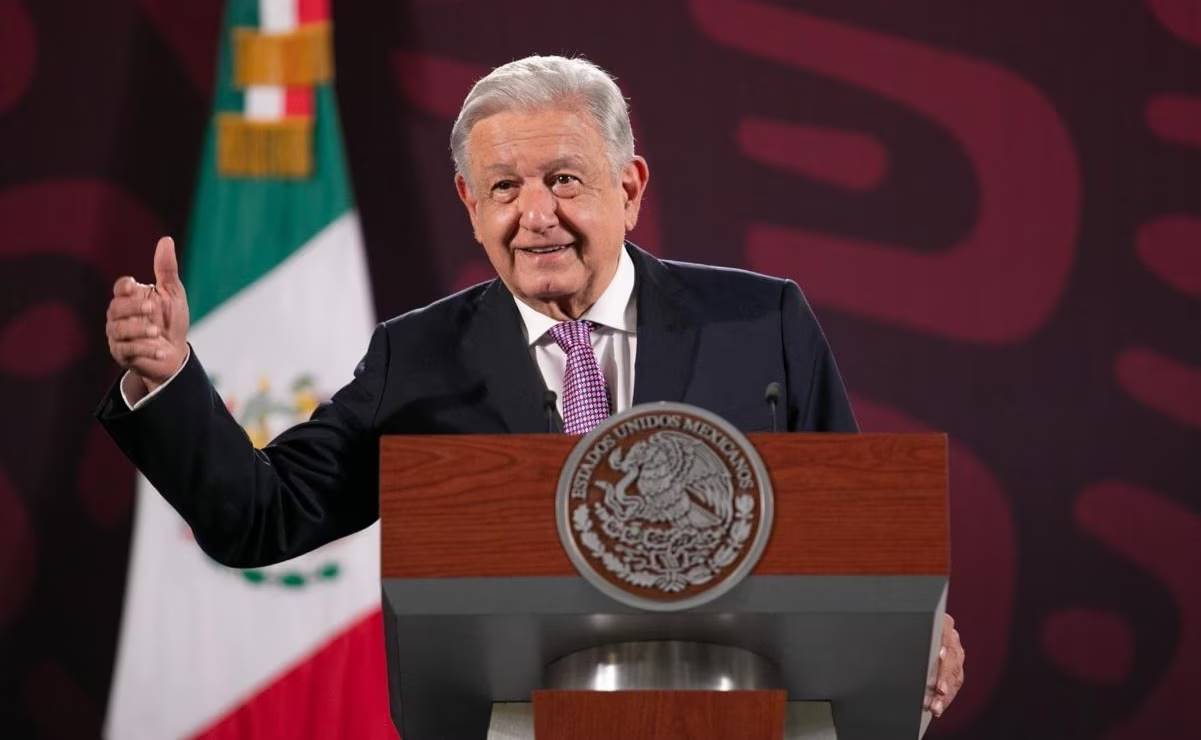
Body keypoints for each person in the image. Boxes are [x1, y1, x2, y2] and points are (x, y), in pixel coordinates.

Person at [98, 55, 963, 717]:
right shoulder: (419, 357)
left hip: (737, 713)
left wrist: (918, 629)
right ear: (470, 207)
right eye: (504, 188)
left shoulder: (759, 321)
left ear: (628, 189)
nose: (534, 213)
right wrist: (170, 382)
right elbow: (263, 517)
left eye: (563, 179)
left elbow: (857, 537)